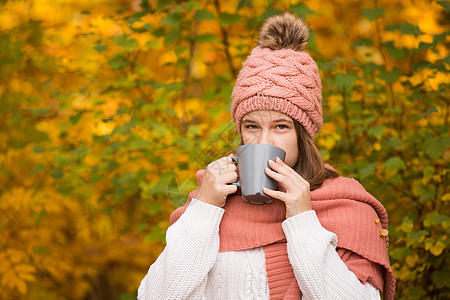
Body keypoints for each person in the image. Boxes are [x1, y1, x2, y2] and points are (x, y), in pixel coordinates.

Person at [138, 13, 395, 300]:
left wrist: (303, 219)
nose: (263, 141)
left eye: (281, 126)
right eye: (252, 126)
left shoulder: (347, 207)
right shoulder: (210, 201)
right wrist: (205, 209)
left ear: (303, 133)